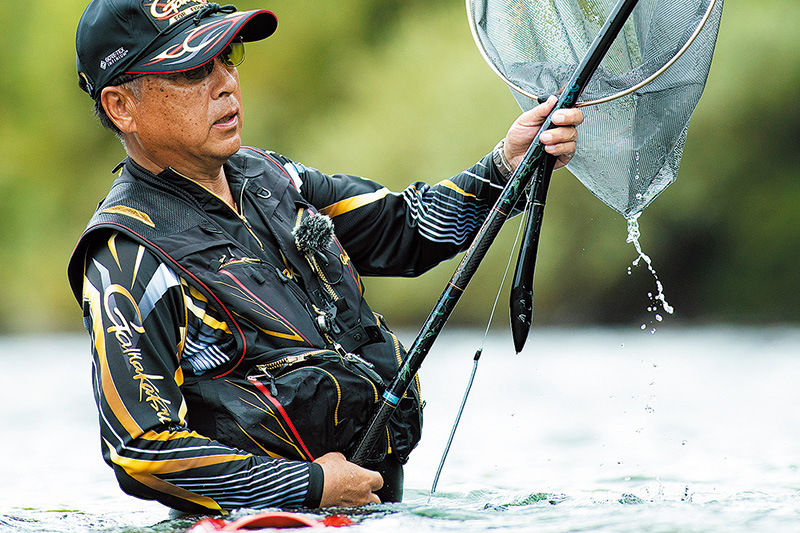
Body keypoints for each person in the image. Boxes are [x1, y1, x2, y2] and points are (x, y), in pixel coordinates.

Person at [68, 0, 584, 515]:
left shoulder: (274, 177)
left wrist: (504, 166)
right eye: (193, 71)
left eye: (229, 56)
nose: (225, 83)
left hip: (376, 512)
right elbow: (141, 449)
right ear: (122, 107)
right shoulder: (126, 257)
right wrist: (307, 488)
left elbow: (404, 228)